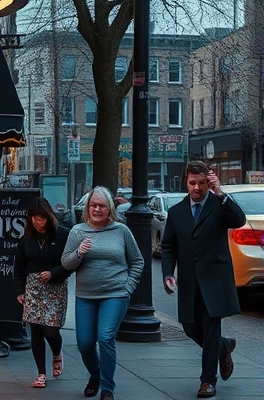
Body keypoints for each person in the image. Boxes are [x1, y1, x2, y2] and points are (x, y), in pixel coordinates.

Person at [160, 161, 246, 398]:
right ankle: (224, 346)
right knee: (190, 328)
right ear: (186, 182)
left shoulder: (219, 206)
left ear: (209, 182)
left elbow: (239, 220)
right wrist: (168, 273)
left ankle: (208, 381)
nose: (197, 188)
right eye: (192, 183)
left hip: (215, 278)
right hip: (189, 280)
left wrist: (220, 192)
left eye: (202, 183)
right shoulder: (177, 211)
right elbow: (169, 246)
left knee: (210, 327)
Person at [61, 186, 144, 400]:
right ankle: (96, 375)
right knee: (85, 343)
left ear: (110, 208)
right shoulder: (78, 231)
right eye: (93, 205)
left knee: (106, 337)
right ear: (87, 208)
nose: (97, 209)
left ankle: (107, 388)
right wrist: (79, 253)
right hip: (86, 296)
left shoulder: (121, 231)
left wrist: (128, 287)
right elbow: (66, 263)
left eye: (102, 206)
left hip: (115, 294)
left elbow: (137, 261)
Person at [13, 197, 72, 389]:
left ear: (49, 217)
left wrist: (54, 273)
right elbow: (19, 266)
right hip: (33, 287)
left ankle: (57, 352)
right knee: (36, 330)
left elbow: (71, 263)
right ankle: (41, 374)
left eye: (42, 219)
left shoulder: (63, 235)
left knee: (51, 331)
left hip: (55, 287)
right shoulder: (26, 239)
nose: (39, 223)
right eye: (34, 219)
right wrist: (20, 290)